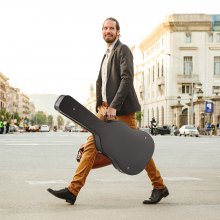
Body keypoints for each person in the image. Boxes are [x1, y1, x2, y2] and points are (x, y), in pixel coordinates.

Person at [47, 17, 169, 205]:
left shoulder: (123, 50)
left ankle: (159, 186)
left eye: (111, 28)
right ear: (101, 31)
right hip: (104, 109)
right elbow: (101, 82)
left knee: (136, 148)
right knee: (90, 145)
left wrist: (114, 106)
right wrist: (100, 106)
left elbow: (127, 79)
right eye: (105, 28)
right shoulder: (106, 54)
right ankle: (73, 190)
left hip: (120, 110)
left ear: (118, 31)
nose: (108, 31)